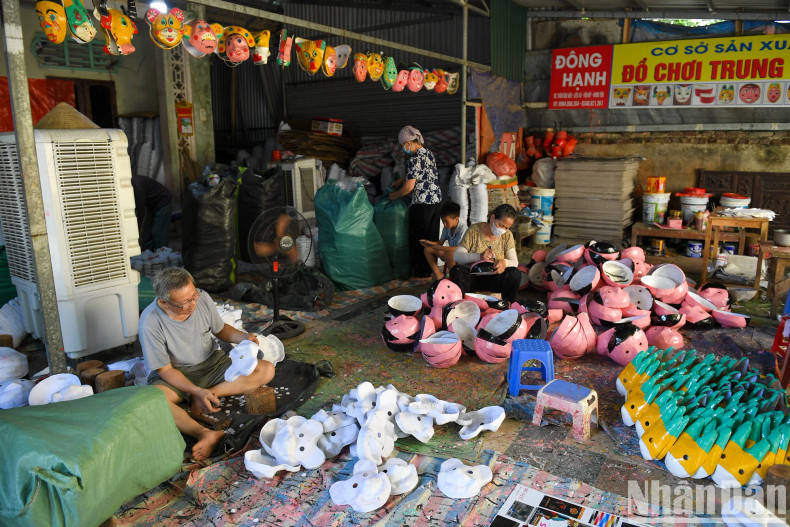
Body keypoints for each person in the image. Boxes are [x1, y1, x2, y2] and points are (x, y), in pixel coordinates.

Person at [138, 267, 275, 461]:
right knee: (153, 400)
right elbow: (165, 370)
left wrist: (244, 337)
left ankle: (209, 393)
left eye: (193, 296)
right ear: (163, 302)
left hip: (212, 363)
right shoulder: (150, 323)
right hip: (178, 374)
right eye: (185, 302)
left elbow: (220, 330)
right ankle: (202, 432)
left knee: (266, 369)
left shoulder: (201, 298)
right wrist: (194, 389)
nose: (193, 303)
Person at [388, 125, 442, 279]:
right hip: (436, 201)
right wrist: (401, 180)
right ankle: (431, 271)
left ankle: (420, 274)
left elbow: (409, 188)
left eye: (402, 145)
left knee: (419, 240)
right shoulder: (428, 154)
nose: (402, 148)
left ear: (408, 143)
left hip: (422, 205)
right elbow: (421, 173)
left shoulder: (414, 159)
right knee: (431, 239)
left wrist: (396, 195)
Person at [449, 204, 521, 303]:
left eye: (507, 228)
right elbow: (457, 256)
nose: (503, 230)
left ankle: (508, 307)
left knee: (515, 273)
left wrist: (504, 263)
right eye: (500, 225)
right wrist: (479, 256)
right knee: (456, 270)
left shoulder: (507, 235)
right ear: (492, 218)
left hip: (494, 279)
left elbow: (514, 262)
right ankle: (463, 305)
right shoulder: (474, 230)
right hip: (473, 278)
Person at [420, 201, 467, 282]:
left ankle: (455, 280)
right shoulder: (447, 227)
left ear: (456, 219)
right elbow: (440, 243)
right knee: (428, 249)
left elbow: (459, 249)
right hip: (450, 253)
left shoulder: (463, 228)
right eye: (443, 221)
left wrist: (440, 247)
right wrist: (428, 242)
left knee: (449, 254)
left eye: (446, 221)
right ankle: (439, 275)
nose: (444, 224)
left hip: (462, 256)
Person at [132, 174, 173, 251]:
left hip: (163, 200)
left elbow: (140, 211)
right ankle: (148, 252)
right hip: (152, 203)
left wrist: (137, 229)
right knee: (147, 231)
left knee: (158, 231)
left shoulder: (137, 186)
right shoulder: (132, 181)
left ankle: (162, 253)